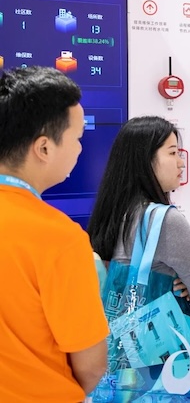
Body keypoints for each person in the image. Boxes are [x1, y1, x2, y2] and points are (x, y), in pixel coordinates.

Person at [0, 66, 108, 402]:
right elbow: (91, 365)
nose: (79, 149)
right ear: (44, 148)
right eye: (77, 138)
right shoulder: (59, 238)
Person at [88, 115, 190, 315]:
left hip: (109, 330)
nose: (181, 163)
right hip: (154, 333)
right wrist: (186, 289)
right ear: (145, 160)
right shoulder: (164, 220)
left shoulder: (108, 213)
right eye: (173, 153)